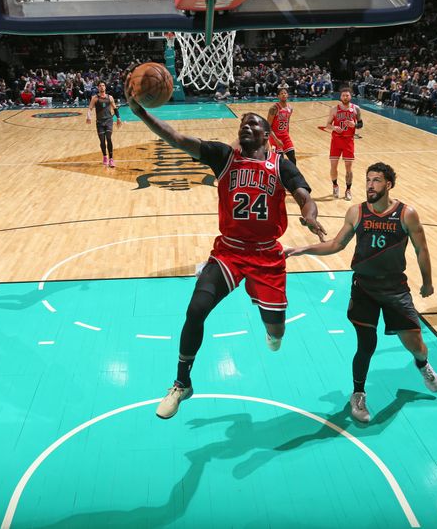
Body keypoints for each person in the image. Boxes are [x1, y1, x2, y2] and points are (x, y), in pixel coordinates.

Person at [125, 83, 327, 420]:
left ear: (266, 136)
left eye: (253, 124)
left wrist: (309, 215)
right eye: (242, 124)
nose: (245, 127)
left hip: (266, 255)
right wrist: (142, 113)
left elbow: (304, 195)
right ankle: (181, 383)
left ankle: (270, 325)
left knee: (276, 331)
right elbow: (176, 138)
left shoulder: (281, 164)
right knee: (196, 309)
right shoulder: (224, 156)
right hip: (229, 252)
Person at [286, 162, 437, 423]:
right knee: (366, 344)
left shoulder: (406, 214)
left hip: (395, 288)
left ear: (388, 184)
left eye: (377, 180)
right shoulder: (356, 212)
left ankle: (422, 364)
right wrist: (304, 249)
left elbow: (421, 250)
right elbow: (337, 244)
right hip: (364, 287)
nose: (370, 185)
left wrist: (428, 282)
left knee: (416, 345)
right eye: (368, 180)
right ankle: (358, 394)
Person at [325, 87, 363, 201]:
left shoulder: (356, 109)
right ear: (340, 96)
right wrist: (334, 127)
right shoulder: (334, 109)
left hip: (348, 141)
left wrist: (354, 125)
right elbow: (327, 125)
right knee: (333, 166)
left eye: (347, 95)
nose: (345, 97)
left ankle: (348, 190)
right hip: (336, 140)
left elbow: (361, 124)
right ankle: (335, 186)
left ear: (350, 96)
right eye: (343, 95)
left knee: (348, 168)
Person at [86, 82, 122, 167]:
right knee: (102, 141)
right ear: (98, 88)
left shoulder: (110, 97)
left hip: (109, 121)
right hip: (99, 122)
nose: (102, 87)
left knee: (109, 138)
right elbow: (90, 108)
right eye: (100, 86)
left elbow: (115, 108)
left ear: (105, 87)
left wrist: (118, 118)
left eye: (103, 86)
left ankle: (111, 159)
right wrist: (88, 116)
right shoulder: (95, 98)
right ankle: (105, 156)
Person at [267, 86, 296, 164]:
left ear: (287, 95)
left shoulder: (290, 108)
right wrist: (276, 140)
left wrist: (287, 134)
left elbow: (287, 123)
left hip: (285, 136)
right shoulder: (274, 108)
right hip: (274, 136)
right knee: (280, 161)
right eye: (281, 93)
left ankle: (292, 176)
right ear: (278, 96)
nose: (283, 94)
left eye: (285, 93)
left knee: (293, 158)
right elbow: (267, 126)